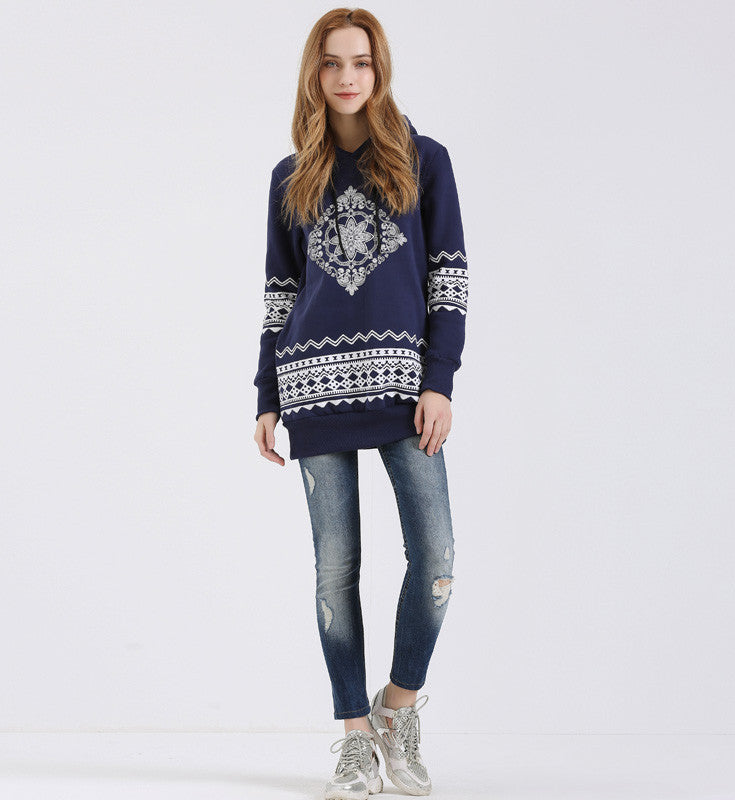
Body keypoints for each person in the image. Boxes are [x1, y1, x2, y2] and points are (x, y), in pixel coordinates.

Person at [252, 9, 468, 799]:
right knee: (335, 569)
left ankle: (395, 708)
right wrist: (266, 395)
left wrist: (439, 380)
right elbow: (281, 294)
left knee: (436, 559)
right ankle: (352, 736)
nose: (348, 77)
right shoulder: (291, 177)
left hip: (406, 393)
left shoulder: (424, 160)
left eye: (362, 63)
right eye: (333, 63)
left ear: (380, 71)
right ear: (314, 74)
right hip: (312, 391)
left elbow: (449, 277)